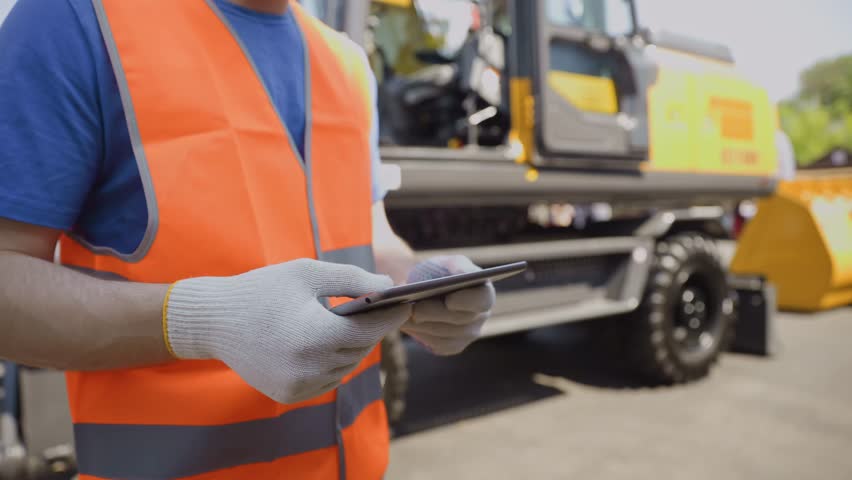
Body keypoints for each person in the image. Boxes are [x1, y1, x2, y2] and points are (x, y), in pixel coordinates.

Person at [0, 0, 495, 478]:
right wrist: (199, 322)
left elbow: (372, 234)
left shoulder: (345, 64)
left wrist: (422, 282)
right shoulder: (75, 20)